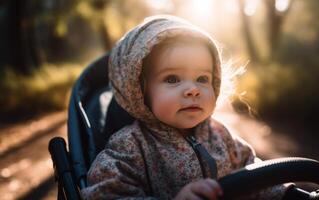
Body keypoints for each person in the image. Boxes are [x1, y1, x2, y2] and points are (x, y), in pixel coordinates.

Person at [81, 15, 288, 200]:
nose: (193, 90)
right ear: (139, 91)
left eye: (202, 78)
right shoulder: (129, 147)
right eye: (172, 78)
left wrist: (286, 193)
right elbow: (106, 195)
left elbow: (258, 177)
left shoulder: (221, 136)